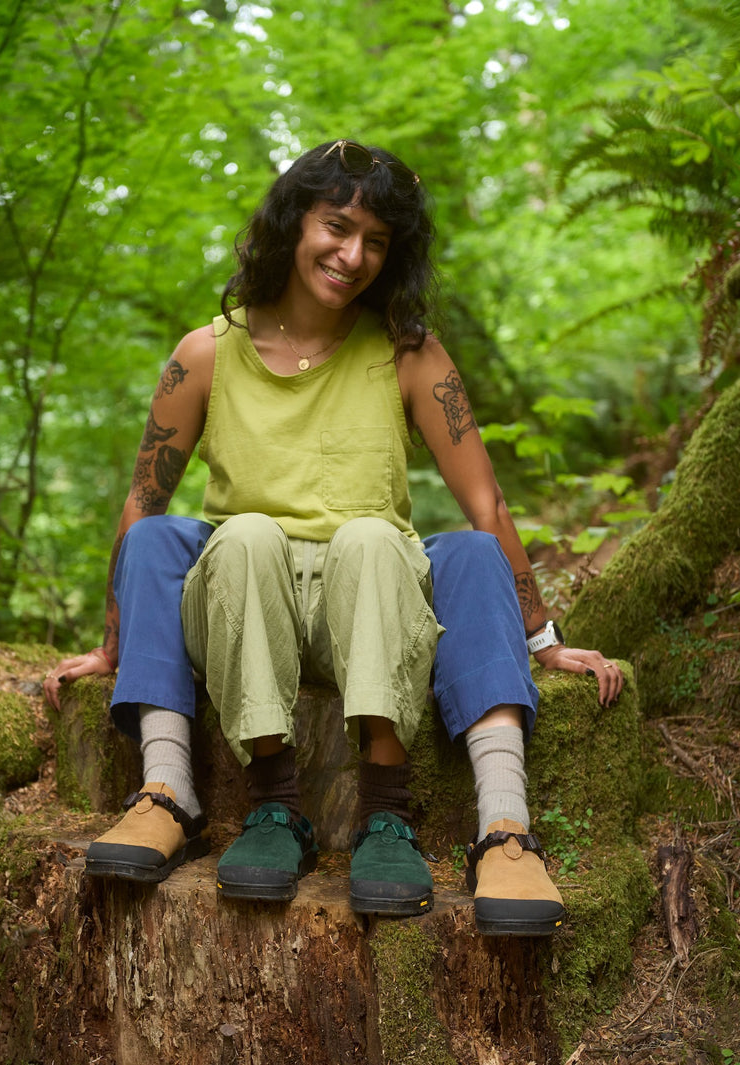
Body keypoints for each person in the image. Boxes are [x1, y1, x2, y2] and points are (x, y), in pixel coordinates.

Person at [44, 139, 624, 933]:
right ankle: (224, 800)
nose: (353, 256)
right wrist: (114, 642)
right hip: (248, 608)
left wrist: (545, 638)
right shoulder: (206, 354)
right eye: (338, 227)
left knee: (385, 540)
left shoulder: (409, 355)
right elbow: (143, 503)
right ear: (294, 223)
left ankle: (428, 821)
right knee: (240, 535)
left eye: (376, 242)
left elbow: (486, 504)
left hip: (374, 607)